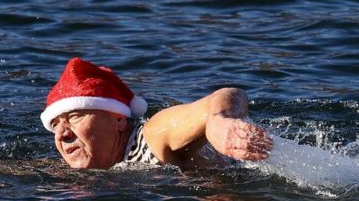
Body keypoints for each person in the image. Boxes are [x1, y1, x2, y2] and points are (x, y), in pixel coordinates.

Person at [40, 57, 273, 170]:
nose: (61, 133)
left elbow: (226, 95)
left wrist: (220, 122)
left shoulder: (151, 137)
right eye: (55, 123)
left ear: (119, 119)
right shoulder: (73, 173)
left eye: (75, 117)